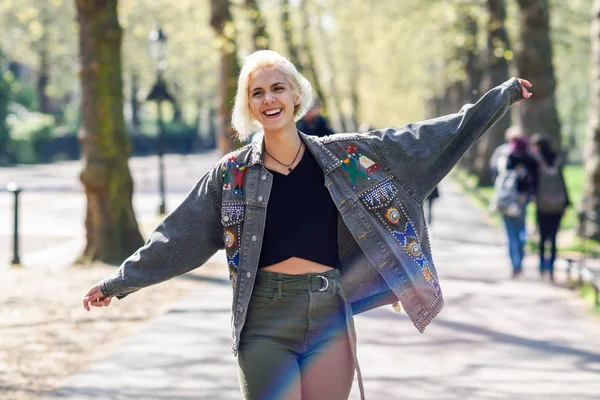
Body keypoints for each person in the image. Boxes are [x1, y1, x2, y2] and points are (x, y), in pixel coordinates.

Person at [82, 50, 532, 400]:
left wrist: (501, 97)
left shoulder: (347, 157)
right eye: (257, 93)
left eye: (278, 88)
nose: (269, 99)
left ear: (297, 95)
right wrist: (121, 281)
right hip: (264, 320)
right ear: (249, 106)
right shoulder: (232, 175)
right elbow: (177, 237)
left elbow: (428, 138)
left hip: (329, 313)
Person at [530, 134, 569, 282]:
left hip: (542, 204)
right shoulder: (557, 160)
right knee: (553, 238)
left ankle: (541, 266)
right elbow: (562, 183)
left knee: (542, 236)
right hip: (557, 205)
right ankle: (551, 267)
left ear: (538, 146)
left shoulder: (536, 161)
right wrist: (566, 203)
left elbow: (533, 183)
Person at [498, 136, 538, 278]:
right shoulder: (531, 159)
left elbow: (500, 177)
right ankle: (519, 260)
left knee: (510, 234)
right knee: (521, 231)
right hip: (523, 200)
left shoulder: (509, 157)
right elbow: (535, 180)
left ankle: (515, 264)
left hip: (507, 201)